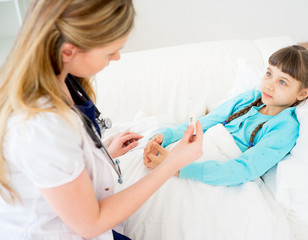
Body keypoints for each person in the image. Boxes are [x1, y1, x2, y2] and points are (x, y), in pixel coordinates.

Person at [0, 0, 203, 239]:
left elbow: (59, 164)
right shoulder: (41, 124)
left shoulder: (61, 80)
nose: (117, 57)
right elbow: (90, 223)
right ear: (68, 50)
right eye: (109, 52)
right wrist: (172, 164)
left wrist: (103, 153)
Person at [143, 45, 308, 186]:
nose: (268, 85)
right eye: (269, 74)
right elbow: (204, 123)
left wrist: (176, 168)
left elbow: (245, 169)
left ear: (302, 93)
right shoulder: (249, 98)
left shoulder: (285, 127)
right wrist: (164, 137)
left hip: (213, 172)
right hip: (195, 150)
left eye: (282, 82)